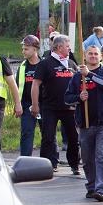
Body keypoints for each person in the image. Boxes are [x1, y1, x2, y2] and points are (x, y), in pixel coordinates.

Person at [64, 46, 103, 202]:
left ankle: (101, 189)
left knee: (101, 156)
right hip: (85, 122)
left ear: (100, 57)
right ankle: (92, 186)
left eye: (95, 54)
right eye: (90, 54)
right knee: (87, 158)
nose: (93, 56)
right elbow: (67, 98)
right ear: (85, 56)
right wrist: (79, 97)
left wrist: (89, 75)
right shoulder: (76, 77)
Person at [31, 34, 80, 174]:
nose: (69, 48)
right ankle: (48, 164)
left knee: (73, 137)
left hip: (69, 107)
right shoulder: (45, 63)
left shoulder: (71, 64)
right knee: (48, 137)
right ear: (59, 47)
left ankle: (75, 164)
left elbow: (78, 83)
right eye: (67, 46)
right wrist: (35, 105)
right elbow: (36, 84)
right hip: (50, 107)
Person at [17, 35, 41, 156]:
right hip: (26, 105)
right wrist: (18, 105)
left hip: (44, 105)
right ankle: (25, 160)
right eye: (23, 48)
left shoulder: (44, 64)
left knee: (48, 134)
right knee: (26, 133)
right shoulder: (22, 66)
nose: (23, 51)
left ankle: (51, 162)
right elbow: (18, 87)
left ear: (35, 49)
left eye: (26, 49)